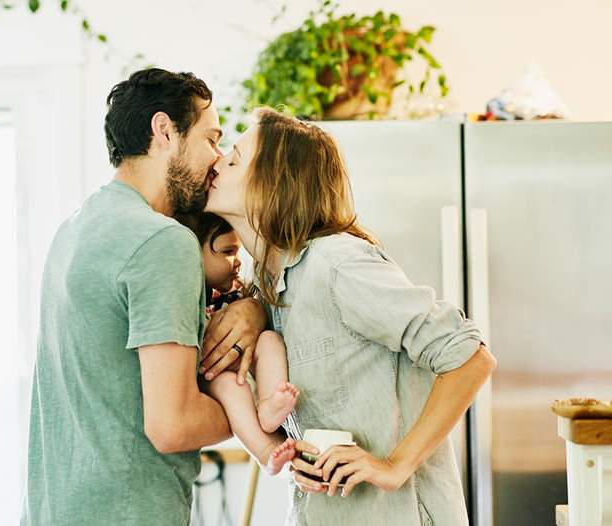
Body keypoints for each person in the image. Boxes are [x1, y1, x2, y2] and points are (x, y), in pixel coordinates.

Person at [203, 107, 497, 525]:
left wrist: (393, 465)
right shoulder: (268, 289)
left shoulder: (335, 263)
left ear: (273, 186)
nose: (218, 163)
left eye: (233, 160)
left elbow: (470, 358)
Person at [20, 69, 267, 526]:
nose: (216, 159)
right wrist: (252, 406)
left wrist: (251, 308)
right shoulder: (161, 242)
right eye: (211, 139)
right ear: (164, 131)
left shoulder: (74, 229)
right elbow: (173, 426)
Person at [183, 212, 299, 475]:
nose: (237, 262)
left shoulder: (240, 290)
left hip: (249, 366)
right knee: (230, 387)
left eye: (237, 251)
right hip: (218, 374)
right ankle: (265, 451)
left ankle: (270, 404)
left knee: (270, 340)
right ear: (193, 255)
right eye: (227, 252)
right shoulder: (191, 297)